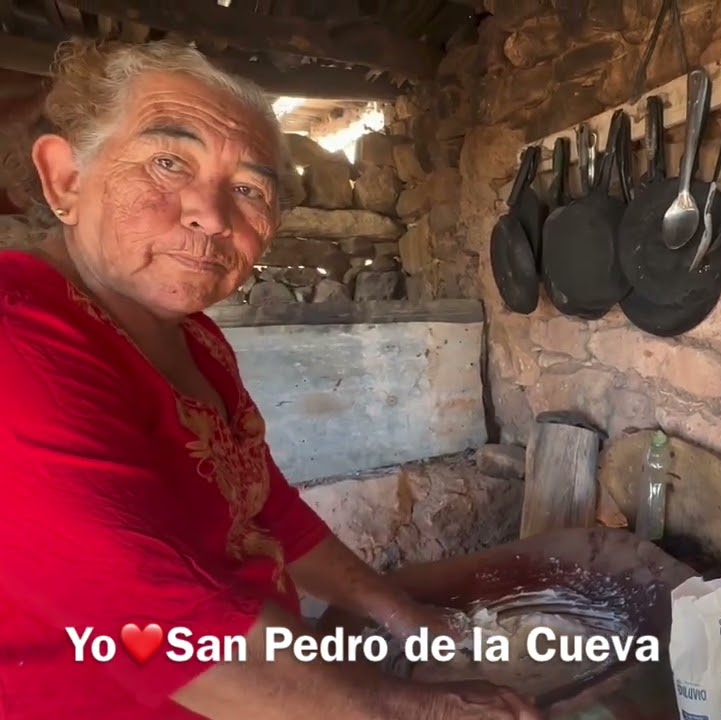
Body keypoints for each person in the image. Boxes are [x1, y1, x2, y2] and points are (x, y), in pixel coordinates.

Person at [0, 38, 541, 720]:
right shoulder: (18, 337)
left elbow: (264, 508)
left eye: (250, 190)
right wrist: (418, 707)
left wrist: (402, 615)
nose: (213, 215)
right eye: (169, 162)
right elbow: (160, 627)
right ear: (66, 178)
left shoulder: (197, 337)